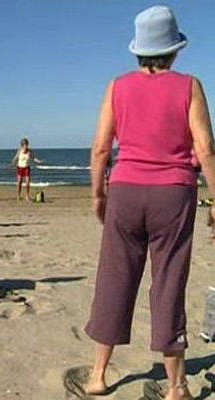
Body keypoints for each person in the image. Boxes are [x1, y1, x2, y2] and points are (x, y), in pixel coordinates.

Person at [84, 6, 215, 399]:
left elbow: (100, 148)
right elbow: (205, 148)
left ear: (138, 51)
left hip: (125, 190)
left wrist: (98, 193)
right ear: (175, 50)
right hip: (174, 194)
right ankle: (176, 385)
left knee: (115, 279)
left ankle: (98, 375)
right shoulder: (189, 85)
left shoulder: (116, 87)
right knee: (169, 281)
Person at [11, 137, 42, 202]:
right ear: (22, 145)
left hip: (26, 168)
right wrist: (12, 163)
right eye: (25, 145)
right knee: (19, 182)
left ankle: (27, 196)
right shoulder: (19, 151)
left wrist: (38, 161)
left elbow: (33, 158)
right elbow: (15, 158)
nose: (26, 146)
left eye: (27, 144)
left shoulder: (29, 151)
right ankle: (18, 196)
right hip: (20, 168)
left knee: (27, 182)